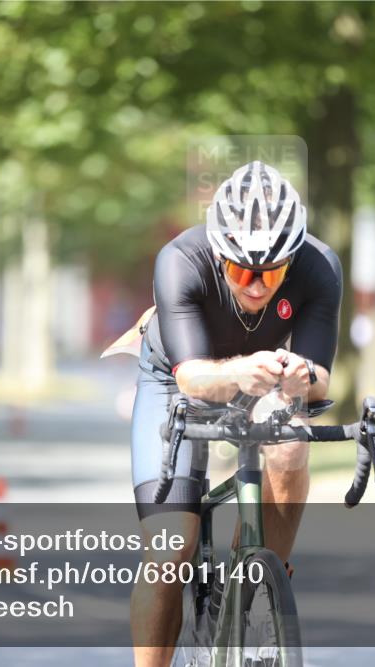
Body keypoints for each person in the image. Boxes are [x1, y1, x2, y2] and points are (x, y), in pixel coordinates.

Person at [126, 161, 341, 667]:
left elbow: (321, 377)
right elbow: (192, 378)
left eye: (273, 273)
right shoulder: (181, 259)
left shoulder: (320, 265)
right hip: (178, 379)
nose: (258, 286)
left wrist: (301, 378)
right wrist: (244, 370)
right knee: (171, 550)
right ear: (220, 253)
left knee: (291, 444)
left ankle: (262, 584)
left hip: (261, 373)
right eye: (242, 272)